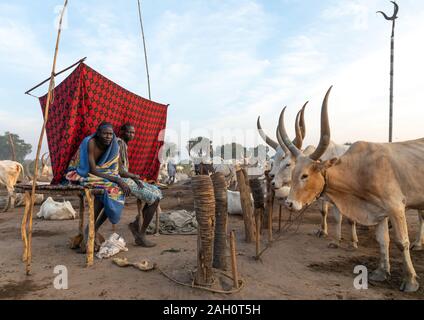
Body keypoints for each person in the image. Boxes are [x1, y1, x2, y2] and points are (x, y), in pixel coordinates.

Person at [65, 122, 131, 252]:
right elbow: (92, 170)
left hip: (102, 174)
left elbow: (112, 169)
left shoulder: (113, 145)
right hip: (82, 172)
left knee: (115, 193)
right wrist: (118, 180)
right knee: (107, 190)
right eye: (105, 133)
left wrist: (120, 179)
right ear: (98, 133)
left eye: (110, 134)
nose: (108, 137)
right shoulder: (90, 142)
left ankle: (92, 229)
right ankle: (89, 232)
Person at [118, 123, 163, 247]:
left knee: (157, 192)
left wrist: (134, 177)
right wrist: (134, 176)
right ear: (122, 132)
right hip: (120, 180)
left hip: (127, 178)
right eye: (129, 132)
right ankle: (141, 235)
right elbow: (119, 170)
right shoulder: (118, 144)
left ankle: (136, 224)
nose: (131, 135)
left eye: (133, 133)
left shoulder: (123, 145)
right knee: (154, 199)